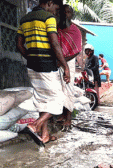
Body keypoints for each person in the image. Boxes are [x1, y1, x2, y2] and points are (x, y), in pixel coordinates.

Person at [16, 0, 70, 146]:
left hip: (32, 66)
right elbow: (54, 43)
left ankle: (44, 135)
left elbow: (19, 44)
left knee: (42, 100)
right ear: (49, 3)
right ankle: (34, 125)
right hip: (46, 65)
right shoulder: (48, 18)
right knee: (58, 99)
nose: (55, 13)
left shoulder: (24, 19)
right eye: (55, 9)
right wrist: (66, 66)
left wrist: (30, 57)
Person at [57, 4, 82, 131]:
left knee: (68, 89)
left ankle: (68, 118)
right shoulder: (56, 28)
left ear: (71, 15)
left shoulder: (75, 31)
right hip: (56, 62)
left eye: (68, 12)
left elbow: (76, 51)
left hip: (69, 62)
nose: (65, 14)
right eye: (63, 12)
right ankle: (60, 114)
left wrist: (62, 62)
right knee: (58, 89)